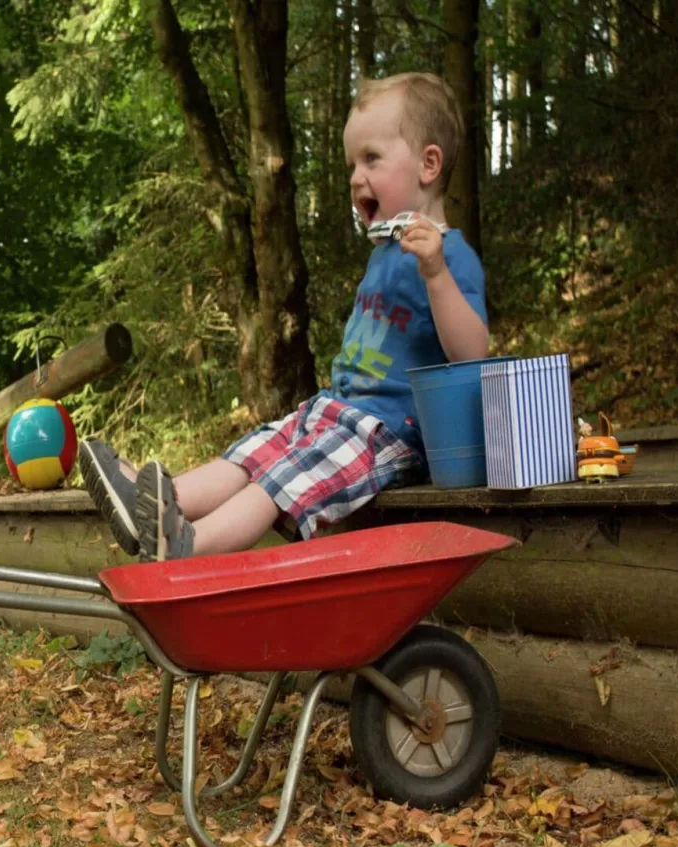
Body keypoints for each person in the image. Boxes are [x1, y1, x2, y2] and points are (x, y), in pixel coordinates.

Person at [79, 72, 489, 561]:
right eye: (351, 164)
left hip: (391, 433)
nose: (356, 177)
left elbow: (471, 353)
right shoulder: (385, 251)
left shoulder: (449, 254)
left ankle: (188, 544)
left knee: (280, 480)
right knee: (257, 451)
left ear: (428, 164)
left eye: (371, 159)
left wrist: (437, 274)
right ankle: (160, 502)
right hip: (337, 410)